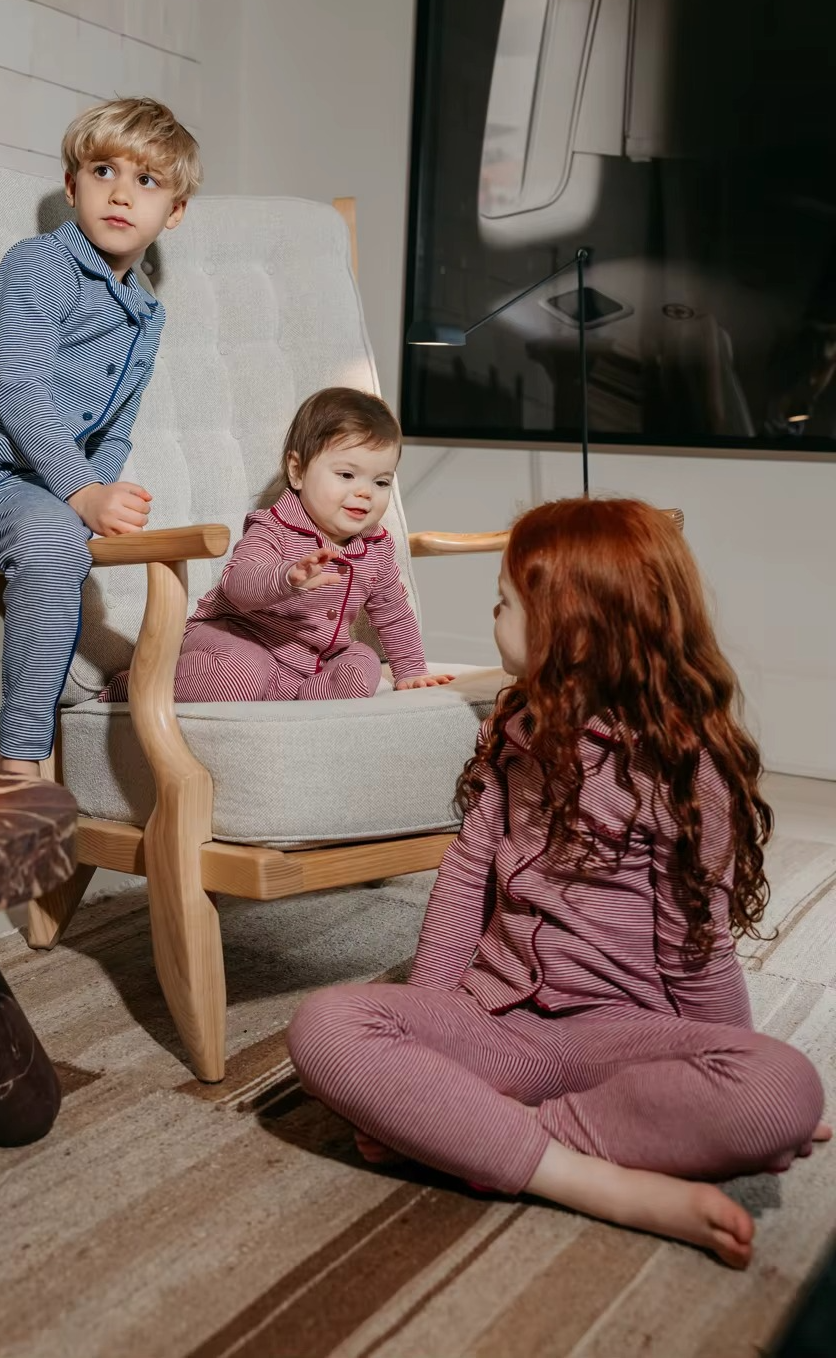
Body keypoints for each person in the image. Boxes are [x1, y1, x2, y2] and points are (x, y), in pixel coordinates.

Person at [287, 497, 828, 1268]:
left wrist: (731, 1062)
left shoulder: (684, 769)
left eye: (505, 601)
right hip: (497, 1021)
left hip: (623, 1035)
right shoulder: (513, 730)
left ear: (572, 628)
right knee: (326, 1025)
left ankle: (480, 1133)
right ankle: (589, 1179)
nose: (493, 613)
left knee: (782, 1088)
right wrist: (434, 1025)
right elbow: (465, 879)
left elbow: (697, 949)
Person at [0, 97, 202, 776]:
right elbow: (19, 392)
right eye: (104, 171)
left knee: (56, 544)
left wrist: (93, 496)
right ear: (73, 186)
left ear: (173, 212)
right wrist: (83, 492)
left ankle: (20, 762)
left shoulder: (146, 315)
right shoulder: (38, 265)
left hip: (18, 486)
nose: (121, 193)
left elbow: (115, 428)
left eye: (146, 181)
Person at [102, 388, 451, 704]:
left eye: (381, 482)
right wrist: (287, 578)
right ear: (297, 471)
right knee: (240, 675)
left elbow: (393, 611)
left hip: (313, 660)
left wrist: (410, 670)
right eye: (346, 475)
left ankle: (301, 696)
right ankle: (138, 684)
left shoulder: (376, 546)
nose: (365, 492)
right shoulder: (274, 527)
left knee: (363, 664)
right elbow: (237, 583)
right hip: (238, 637)